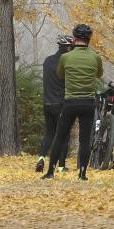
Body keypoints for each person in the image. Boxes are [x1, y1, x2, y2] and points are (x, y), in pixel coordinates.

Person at [41, 23, 103, 181]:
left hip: (70, 103)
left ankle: (50, 172)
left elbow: (60, 75)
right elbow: (98, 74)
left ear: (74, 39)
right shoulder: (95, 57)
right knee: (85, 140)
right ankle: (82, 173)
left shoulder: (66, 57)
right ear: (89, 39)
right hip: (88, 103)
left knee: (60, 136)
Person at [35, 34, 72, 173]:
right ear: (68, 48)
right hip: (60, 103)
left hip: (47, 103)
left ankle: (41, 158)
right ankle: (61, 166)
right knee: (64, 135)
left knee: (49, 133)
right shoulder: (66, 63)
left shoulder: (48, 61)